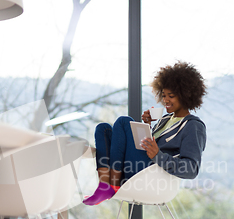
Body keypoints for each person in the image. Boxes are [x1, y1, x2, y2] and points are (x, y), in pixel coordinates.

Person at [83, 61, 207, 206]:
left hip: (152, 178)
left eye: (171, 96)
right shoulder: (165, 119)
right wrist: (147, 126)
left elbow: (191, 169)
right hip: (138, 168)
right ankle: (104, 187)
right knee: (103, 129)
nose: (165, 100)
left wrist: (158, 156)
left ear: (186, 95)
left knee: (124, 122)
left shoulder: (193, 126)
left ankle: (113, 186)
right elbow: (148, 146)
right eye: (164, 95)